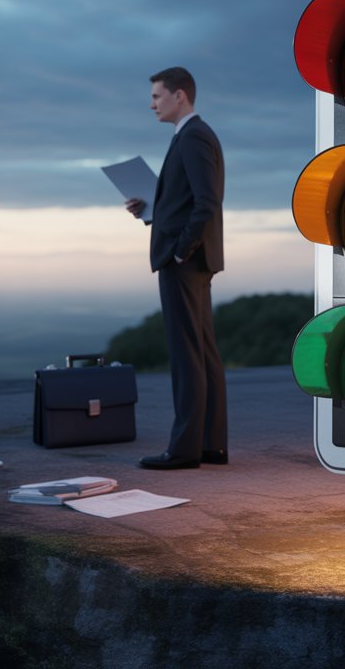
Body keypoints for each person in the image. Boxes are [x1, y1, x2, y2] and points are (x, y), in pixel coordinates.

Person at [126, 67, 228, 469]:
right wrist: (149, 211)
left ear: (179, 96)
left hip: (185, 261)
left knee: (188, 356)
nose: (152, 103)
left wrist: (182, 251)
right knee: (202, 352)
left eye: (156, 96)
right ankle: (210, 445)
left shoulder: (193, 136)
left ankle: (184, 450)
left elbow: (207, 202)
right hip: (192, 259)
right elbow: (187, 203)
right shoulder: (192, 136)